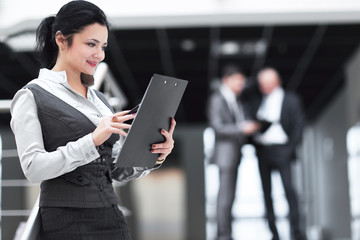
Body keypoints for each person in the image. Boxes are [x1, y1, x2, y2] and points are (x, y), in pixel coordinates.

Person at [9, 1, 176, 239]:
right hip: (66, 221)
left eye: (103, 46)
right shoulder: (31, 95)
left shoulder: (99, 99)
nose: (99, 54)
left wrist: (155, 153)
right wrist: (93, 139)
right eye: (91, 44)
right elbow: (34, 169)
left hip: (110, 216)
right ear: (61, 39)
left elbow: (116, 170)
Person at [251, 67, 305, 240]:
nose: (265, 87)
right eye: (262, 84)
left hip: (283, 150)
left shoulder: (291, 100)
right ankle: (274, 233)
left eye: (268, 83)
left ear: (277, 82)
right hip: (263, 152)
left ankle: (296, 232)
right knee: (267, 194)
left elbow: (298, 126)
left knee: (289, 190)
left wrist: (290, 148)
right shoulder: (258, 101)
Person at [207, 66, 259, 240]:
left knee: (229, 197)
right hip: (225, 154)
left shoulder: (236, 100)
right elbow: (218, 126)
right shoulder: (218, 99)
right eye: (238, 80)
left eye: (242, 81)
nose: (241, 84)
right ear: (226, 80)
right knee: (225, 197)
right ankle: (223, 234)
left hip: (235, 154)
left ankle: (225, 232)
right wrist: (241, 128)